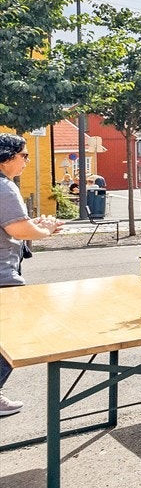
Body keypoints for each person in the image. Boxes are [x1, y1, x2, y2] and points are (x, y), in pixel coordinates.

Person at [1, 134, 65, 417]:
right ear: (7, 157)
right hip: (3, 276)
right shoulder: (5, 187)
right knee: (14, 339)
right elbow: (19, 231)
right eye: (24, 156)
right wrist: (45, 230)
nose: (27, 162)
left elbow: (16, 225)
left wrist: (33, 224)